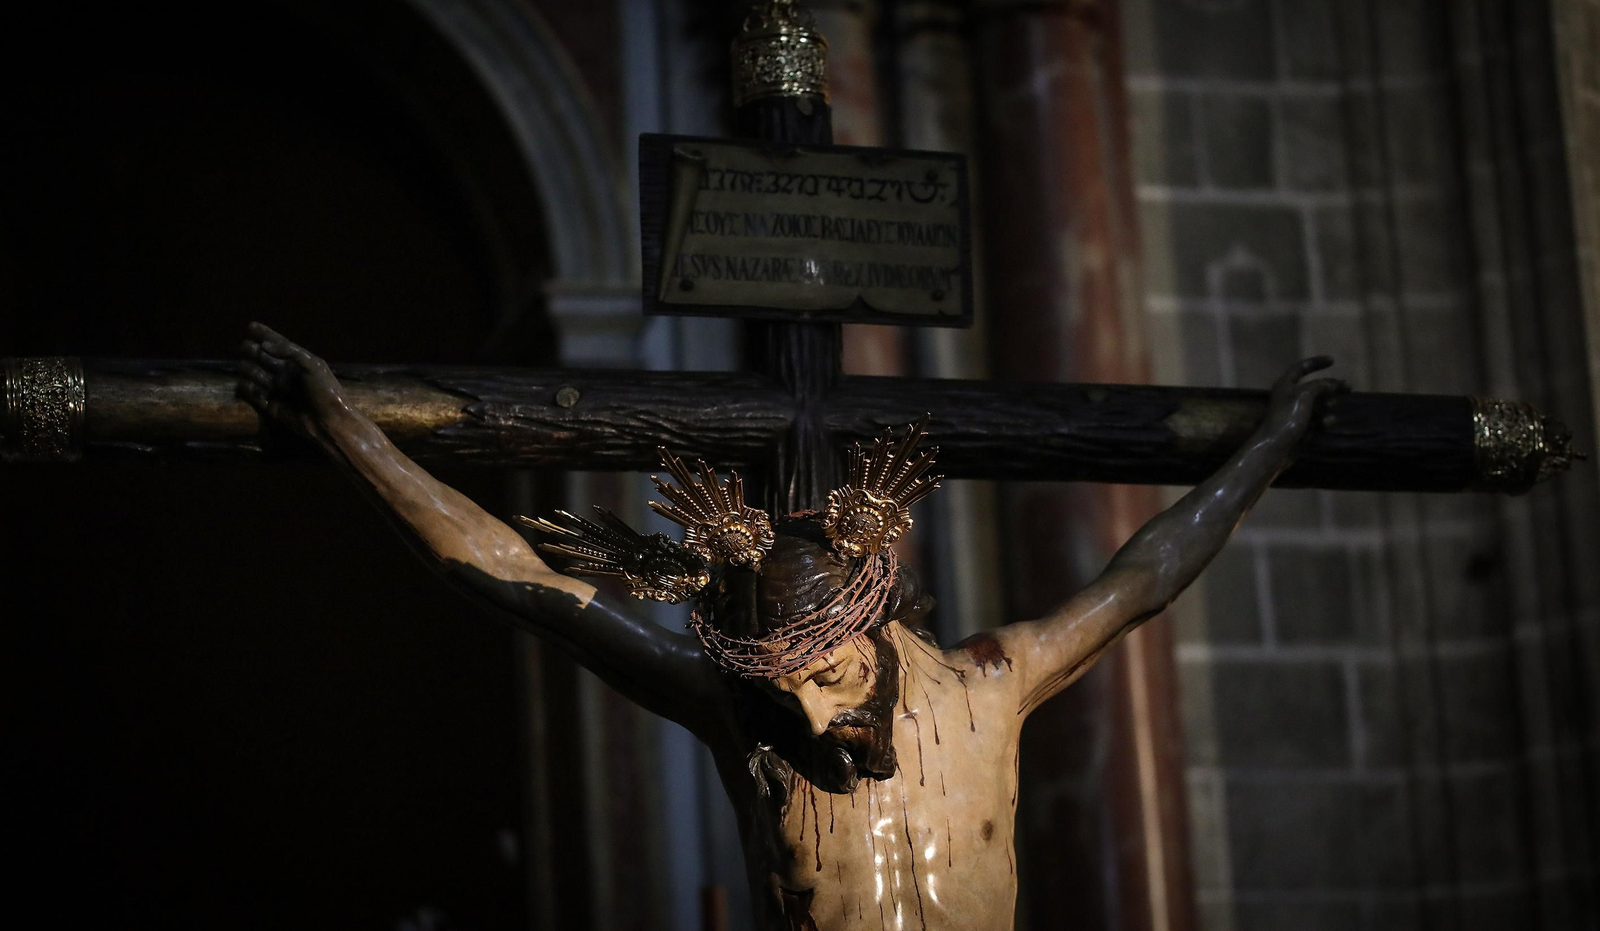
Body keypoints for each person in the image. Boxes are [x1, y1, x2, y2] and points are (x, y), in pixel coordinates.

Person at [237, 322, 1344, 931]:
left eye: (827, 675)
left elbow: (1144, 573)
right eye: (789, 688)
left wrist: (1269, 445)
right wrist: (349, 433)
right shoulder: (748, 726)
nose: (811, 712)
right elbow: (509, 574)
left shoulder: (992, 683)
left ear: (872, 625)